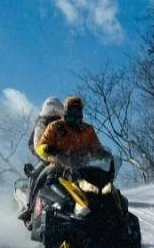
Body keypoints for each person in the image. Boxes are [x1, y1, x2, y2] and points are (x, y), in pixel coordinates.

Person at [20, 96, 107, 224]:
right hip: (57, 164)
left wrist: (102, 154)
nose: (75, 112)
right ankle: (31, 208)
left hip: (83, 166)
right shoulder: (53, 126)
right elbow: (39, 145)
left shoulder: (88, 129)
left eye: (78, 109)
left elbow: (95, 146)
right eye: (72, 109)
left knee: (100, 184)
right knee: (39, 177)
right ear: (66, 110)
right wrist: (49, 150)